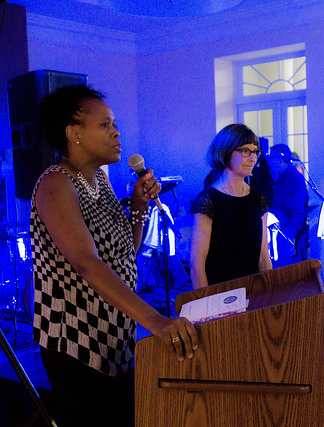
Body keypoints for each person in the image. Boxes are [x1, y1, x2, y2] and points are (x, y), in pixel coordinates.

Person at [31, 84, 198, 426]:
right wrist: (157, 321)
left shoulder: (100, 182)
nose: (116, 131)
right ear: (73, 132)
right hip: (75, 342)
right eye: (105, 124)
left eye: (114, 123)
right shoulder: (55, 184)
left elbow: (125, 254)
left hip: (115, 337)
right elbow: (87, 263)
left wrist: (138, 205)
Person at [189, 124, 272, 288]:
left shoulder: (258, 198)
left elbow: (263, 256)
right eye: (245, 151)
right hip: (219, 292)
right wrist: (206, 304)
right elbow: (197, 263)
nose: (252, 158)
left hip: (252, 290)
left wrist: (269, 293)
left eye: (255, 152)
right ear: (225, 153)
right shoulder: (208, 200)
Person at [265, 143, 310, 267]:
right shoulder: (284, 176)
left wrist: (290, 234)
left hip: (289, 230)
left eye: (273, 158)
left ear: (283, 159)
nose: (270, 162)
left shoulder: (294, 178)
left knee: (290, 268)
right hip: (283, 227)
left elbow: (298, 210)